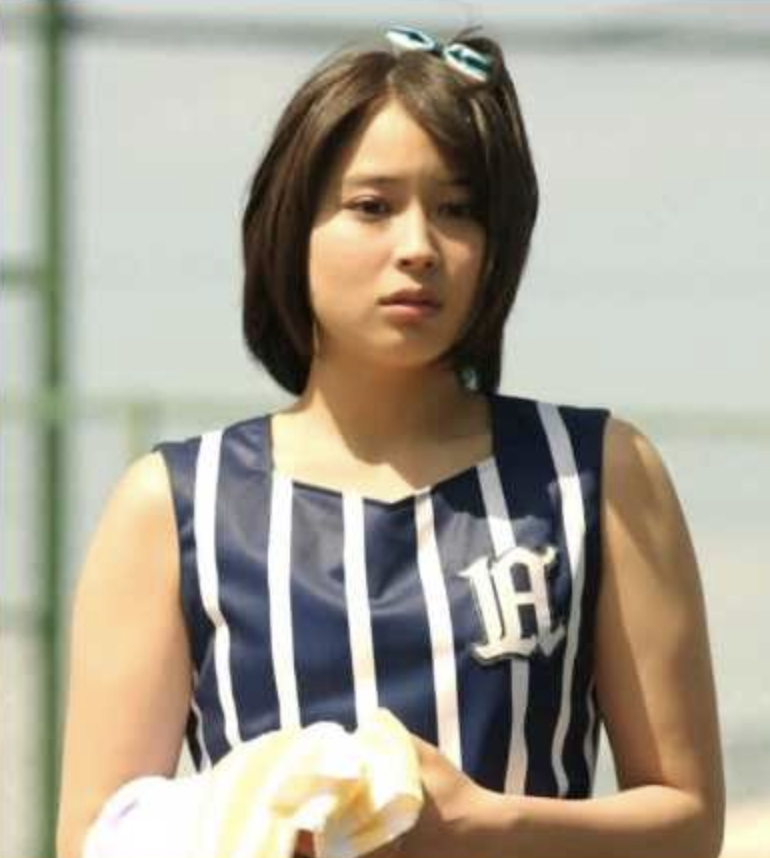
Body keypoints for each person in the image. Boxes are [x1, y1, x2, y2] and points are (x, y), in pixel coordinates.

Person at [56, 24, 725, 858]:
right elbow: (96, 838)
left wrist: (485, 825)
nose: (418, 248)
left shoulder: (598, 473)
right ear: (290, 227)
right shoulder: (170, 507)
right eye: (372, 207)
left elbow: (688, 822)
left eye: (457, 210)